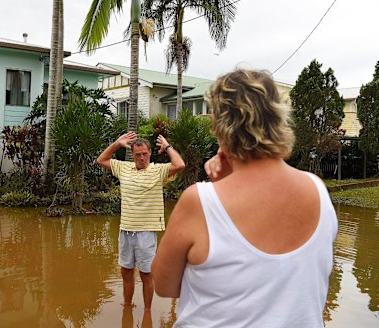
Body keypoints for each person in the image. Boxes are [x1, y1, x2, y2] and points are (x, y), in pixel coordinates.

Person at [152, 69, 338, 327]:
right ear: (278, 118)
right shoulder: (317, 190)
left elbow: (164, 285)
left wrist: (220, 184)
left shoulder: (199, 201)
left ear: (219, 125)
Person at [97, 132, 185, 311]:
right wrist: (117, 143)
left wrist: (167, 147)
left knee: (146, 274)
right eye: (138, 155)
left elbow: (180, 164)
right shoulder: (124, 168)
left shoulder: (158, 171)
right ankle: (127, 306)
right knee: (126, 272)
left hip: (146, 232)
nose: (142, 158)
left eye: (145, 154)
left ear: (150, 153)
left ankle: (147, 312)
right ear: (133, 155)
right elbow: (101, 160)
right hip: (125, 230)